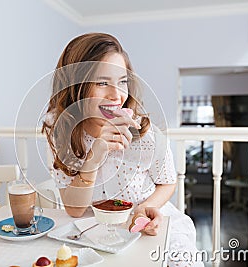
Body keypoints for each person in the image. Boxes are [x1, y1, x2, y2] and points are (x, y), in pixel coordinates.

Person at [42, 32, 203, 266]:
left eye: (122, 81)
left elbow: (167, 182)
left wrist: (145, 209)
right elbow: (75, 210)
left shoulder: (145, 133)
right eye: (102, 82)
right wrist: (94, 158)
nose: (116, 95)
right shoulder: (64, 130)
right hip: (98, 230)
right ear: (76, 86)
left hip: (147, 227)